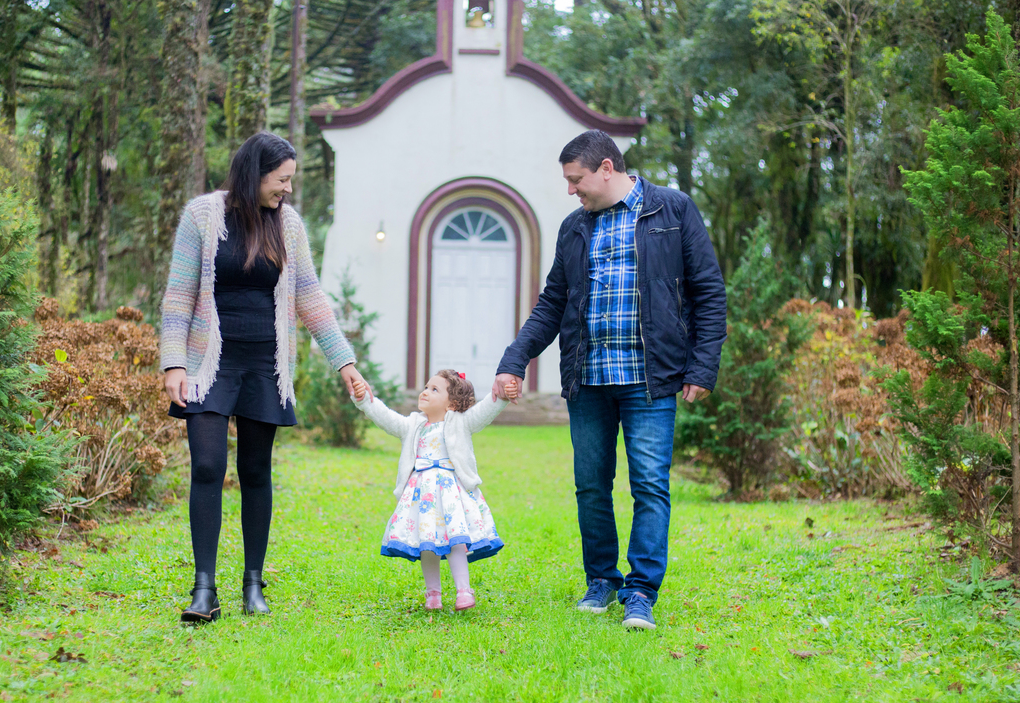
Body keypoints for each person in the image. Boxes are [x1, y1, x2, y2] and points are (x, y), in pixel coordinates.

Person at [493, 130, 727, 630]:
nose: (571, 190)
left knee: (649, 486)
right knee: (591, 486)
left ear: (605, 167)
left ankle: (641, 591)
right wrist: (514, 360)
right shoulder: (574, 228)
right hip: (589, 379)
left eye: (576, 180)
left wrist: (702, 366)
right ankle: (601, 580)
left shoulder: (673, 210)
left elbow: (708, 292)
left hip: (652, 379)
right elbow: (552, 303)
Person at [161, 132, 369, 622]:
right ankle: (203, 589)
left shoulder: (288, 226)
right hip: (208, 361)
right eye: (282, 180)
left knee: (256, 471)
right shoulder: (202, 216)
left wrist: (346, 363)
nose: (288, 190)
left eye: (291, 181)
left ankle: (253, 584)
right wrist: (173, 361)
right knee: (208, 467)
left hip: (265, 365)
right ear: (254, 174)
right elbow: (177, 296)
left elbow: (310, 299)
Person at [349, 370, 513, 611]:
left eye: (434, 389)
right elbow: (384, 416)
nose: (425, 392)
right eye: (426, 387)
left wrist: (502, 394)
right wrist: (364, 399)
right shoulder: (412, 425)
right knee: (427, 542)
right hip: (421, 495)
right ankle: (433, 594)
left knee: (456, 541)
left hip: (450, 494)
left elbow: (485, 410)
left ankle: (463, 590)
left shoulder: (461, 422)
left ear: (453, 403)